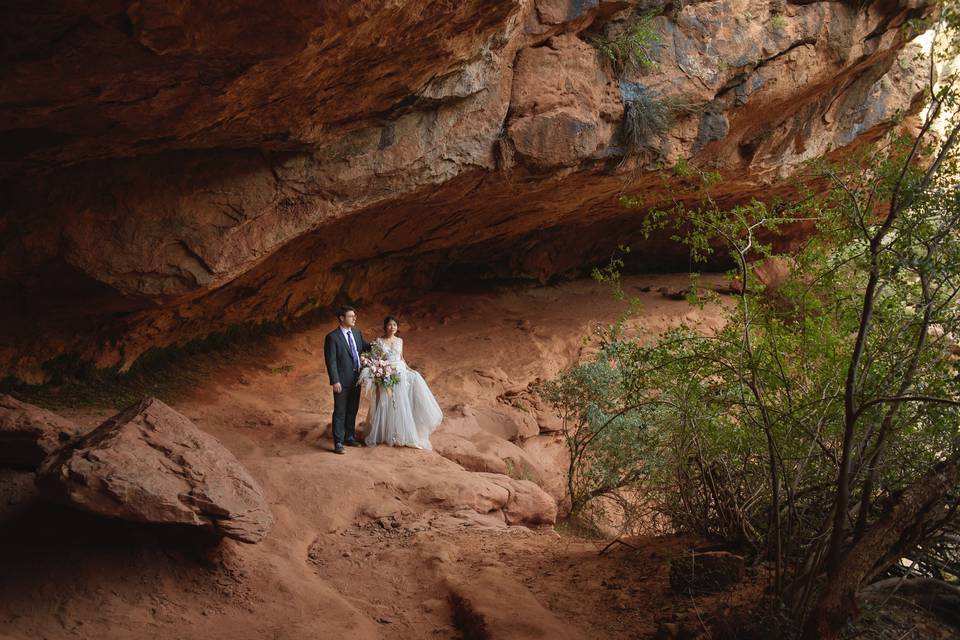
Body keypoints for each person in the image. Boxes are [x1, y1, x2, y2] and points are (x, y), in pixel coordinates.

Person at [361, 315, 442, 449]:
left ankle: (400, 433)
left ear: (397, 327)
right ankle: (384, 433)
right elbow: (377, 359)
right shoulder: (379, 341)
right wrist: (381, 371)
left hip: (401, 372)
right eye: (389, 325)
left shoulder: (400, 341)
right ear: (385, 326)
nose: (392, 327)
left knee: (402, 399)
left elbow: (401, 357)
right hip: (387, 372)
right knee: (386, 403)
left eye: (394, 325)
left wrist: (409, 369)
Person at [323, 305, 370, 454]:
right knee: (340, 411)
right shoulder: (332, 337)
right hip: (341, 381)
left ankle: (349, 437)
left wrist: (384, 343)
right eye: (351, 316)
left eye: (354, 316)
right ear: (342, 318)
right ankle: (338, 442)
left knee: (352, 410)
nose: (354, 318)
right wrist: (335, 380)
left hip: (356, 379)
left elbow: (366, 347)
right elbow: (331, 361)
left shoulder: (356, 333)